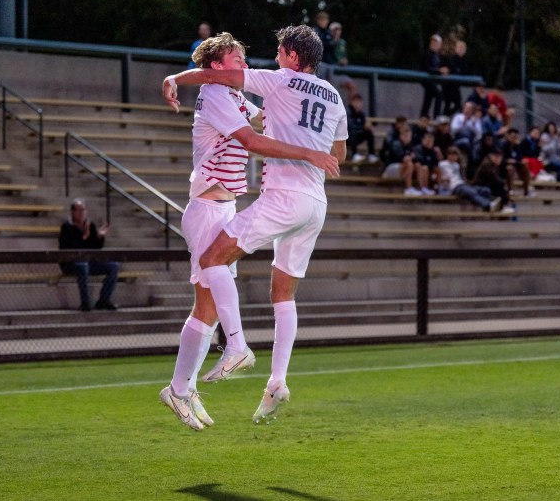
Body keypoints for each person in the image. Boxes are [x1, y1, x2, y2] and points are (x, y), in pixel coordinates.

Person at [162, 25, 347, 425]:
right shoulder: (216, 93)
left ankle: (181, 388)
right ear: (218, 65)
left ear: (292, 56)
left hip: (246, 204)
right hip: (212, 207)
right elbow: (255, 137)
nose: (247, 63)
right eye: (237, 59)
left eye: (247, 57)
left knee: (206, 306)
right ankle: (237, 350)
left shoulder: (242, 93)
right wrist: (175, 77)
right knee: (213, 297)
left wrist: (176, 77)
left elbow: (266, 118)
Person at [58, 198, 120, 312]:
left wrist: (100, 236)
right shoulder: (66, 227)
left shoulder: (90, 225)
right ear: (72, 212)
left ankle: (103, 300)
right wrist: (84, 237)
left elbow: (95, 248)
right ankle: (85, 303)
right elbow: (68, 248)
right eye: (79, 210)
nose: (82, 213)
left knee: (113, 266)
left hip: (89, 262)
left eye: (83, 210)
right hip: (70, 264)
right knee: (82, 266)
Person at [439, 146, 504, 212]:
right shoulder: (442, 164)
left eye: (455, 155)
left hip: (462, 184)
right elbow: (439, 177)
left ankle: (491, 207)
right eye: (451, 154)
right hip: (454, 187)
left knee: (486, 190)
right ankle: (488, 205)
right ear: (448, 155)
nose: (454, 157)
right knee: (471, 192)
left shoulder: (457, 165)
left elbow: (461, 177)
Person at [471, 148, 514, 213]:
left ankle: (504, 205)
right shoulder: (487, 164)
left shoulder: (495, 165)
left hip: (488, 185)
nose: (498, 159)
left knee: (502, 187)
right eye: (496, 157)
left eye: (500, 157)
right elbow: (494, 178)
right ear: (491, 156)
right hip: (479, 186)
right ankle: (505, 205)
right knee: (500, 186)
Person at [420, 34, 449, 118]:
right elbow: (427, 68)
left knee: (428, 100)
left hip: (433, 81)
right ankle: (436, 118)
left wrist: (444, 71)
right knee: (438, 96)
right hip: (427, 80)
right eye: (432, 42)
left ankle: (423, 117)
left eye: (436, 43)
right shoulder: (426, 54)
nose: (434, 44)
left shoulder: (439, 56)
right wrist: (439, 71)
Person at [500, 127, 534, 197]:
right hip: (504, 166)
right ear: (508, 136)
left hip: (515, 164)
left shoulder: (517, 146)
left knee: (525, 167)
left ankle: (526, 190)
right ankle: (510, 190)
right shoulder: (503, 145)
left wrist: (521, 161)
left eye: (516, 137)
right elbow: (501, 159)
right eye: (512, 137)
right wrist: (507, 161)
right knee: (510, 168)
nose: (514, 138)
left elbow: (520, 158)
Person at [347, 94, 377, 163]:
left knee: (369, 132)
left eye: (360, 102)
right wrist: (362, 127)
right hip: (347, 137)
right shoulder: (348, 112)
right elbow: (349, 126)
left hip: (357, 136)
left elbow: (364, 125)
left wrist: (367, 126)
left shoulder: (361, 114)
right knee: (353, 132)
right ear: (352, 102)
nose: (359, 104)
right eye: (357, 102)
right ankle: (354, 155)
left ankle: (371, 154)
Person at [442, 40, 468, 116]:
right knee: (448, 104)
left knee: (458, 105)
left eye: (463, 48)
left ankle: (446, 115)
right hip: (448, 85)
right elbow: (453, 70)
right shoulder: (451, 58)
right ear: (456, 48)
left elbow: (465, 71)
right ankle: (444, 117)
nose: (461, 49)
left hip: (455, 86)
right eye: (459, 47)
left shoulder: (464, 61)